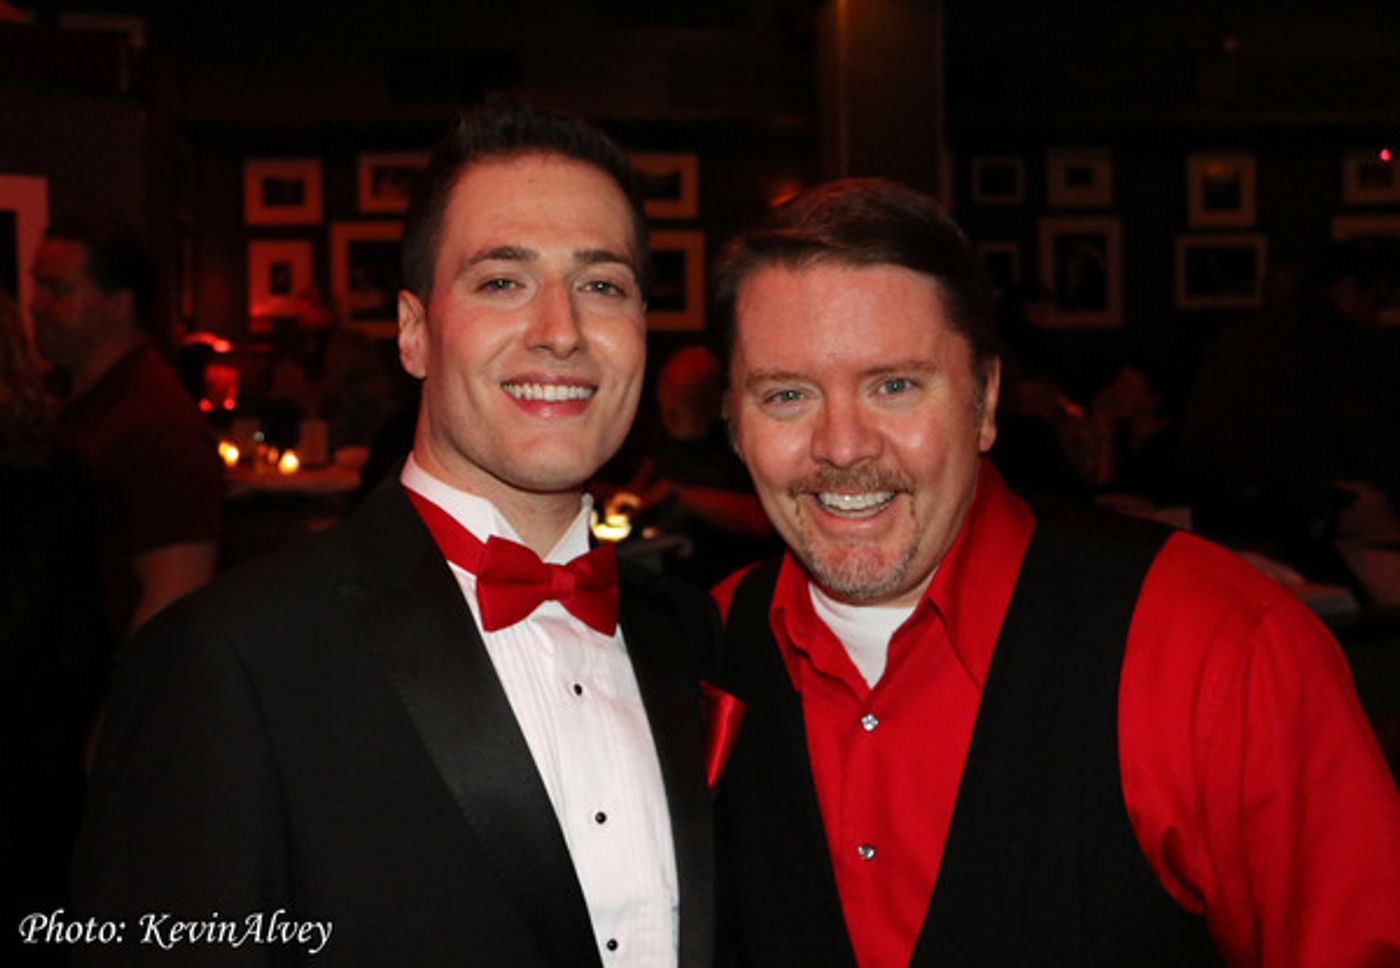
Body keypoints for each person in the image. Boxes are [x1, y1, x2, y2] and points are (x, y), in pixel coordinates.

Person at [70, 100, 717, 967]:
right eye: (502, 281)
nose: (561, 330)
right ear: (414, 333)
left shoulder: (696, 641)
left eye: (602, 284)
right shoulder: (226, 659)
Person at [709, 179, 1400, 967]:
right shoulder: (704, 651)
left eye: (894, 385)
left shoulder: (1218, 647)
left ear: (988, 398)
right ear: (733, 422)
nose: (842, 445)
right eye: (788, 395)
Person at [30, 219, 222, 638]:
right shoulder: (69, 401)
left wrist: (122, 698)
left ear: (118, 304)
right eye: (36, 287)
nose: (37, 305)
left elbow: (174, 595)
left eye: (58, 290)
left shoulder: (156, 426)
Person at [606, 344, 773, 585]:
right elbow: (644, 483)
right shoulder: (668, 434)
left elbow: (760, 521)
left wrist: (680, 495)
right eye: (662, 408)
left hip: (724, 576)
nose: (665, 421)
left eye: (674, 412)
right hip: (665, 567)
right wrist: (627, 498)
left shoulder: (744, 442)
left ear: (711, 403)